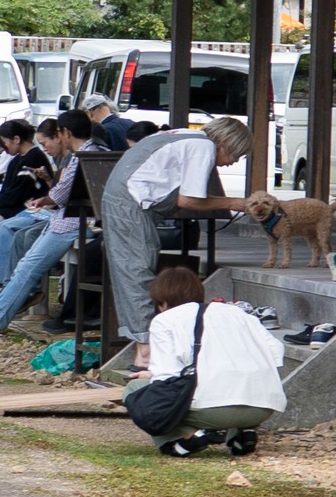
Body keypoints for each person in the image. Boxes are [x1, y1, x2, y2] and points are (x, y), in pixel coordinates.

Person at [100, 111, 237, 358]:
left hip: (121, 198)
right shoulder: (204, 146)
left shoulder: (183, 135)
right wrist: (237, 203)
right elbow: (189, 200)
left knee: (131, 272)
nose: (234, 161)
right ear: (226, 142)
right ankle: (145, 351)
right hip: (130, 203)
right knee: (137, 272)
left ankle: (142, 345)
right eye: (236, 154)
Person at [125, 257, 288, 455]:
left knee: (135, 389)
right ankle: (242, 433)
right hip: (263, 407)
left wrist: (150, 377)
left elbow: (167, 375)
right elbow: (276, 350)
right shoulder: (238, 313)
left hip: (215, 410)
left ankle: (184, 439)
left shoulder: (164, 321)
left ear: (163, 302)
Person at [0, 118, 81, 331]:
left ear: (63, 134)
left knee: (22, 256)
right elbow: (58, 193)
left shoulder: (77, 157)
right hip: (58, 217)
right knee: (14, 239)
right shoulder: (74, 157)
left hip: (62, 219)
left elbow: (58, 196)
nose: (45, 148)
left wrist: (46, 196)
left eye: (45, 142)